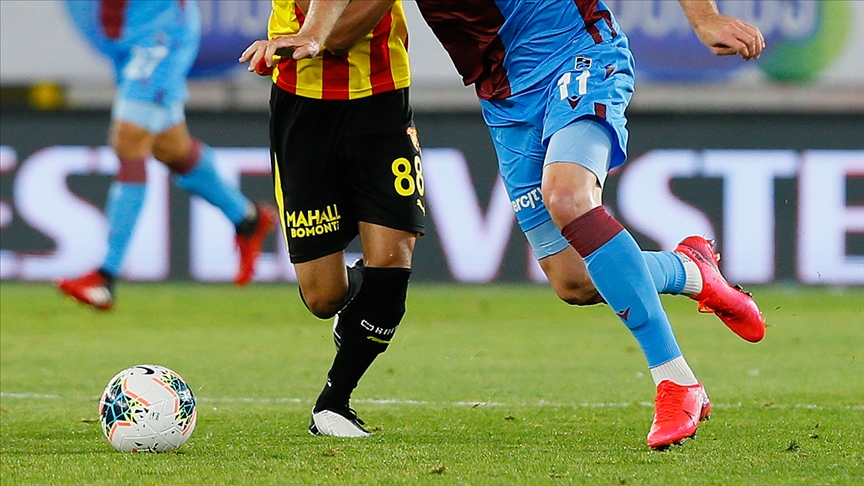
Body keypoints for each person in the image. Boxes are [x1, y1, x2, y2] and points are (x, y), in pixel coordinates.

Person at [255, 0, 766, 449]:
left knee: (567, 195)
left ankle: (676, 380)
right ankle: (690, 270)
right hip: (505, 98)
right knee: (575, 280)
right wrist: (315, 33)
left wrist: (705, 17)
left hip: (577, 53)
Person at [239, 0, 426, 437]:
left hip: (382, 99)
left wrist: (314, 35)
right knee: (324, 298)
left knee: (392, 263)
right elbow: (334, 30)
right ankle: (359, 292)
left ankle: (334, 404)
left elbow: (339, 33)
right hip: (303, 109)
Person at [57, 0, 277, 311]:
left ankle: (105, 276)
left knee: (129, 141)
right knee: (170, 147)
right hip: (127, 29)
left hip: (160, 32)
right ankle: (246, 218)